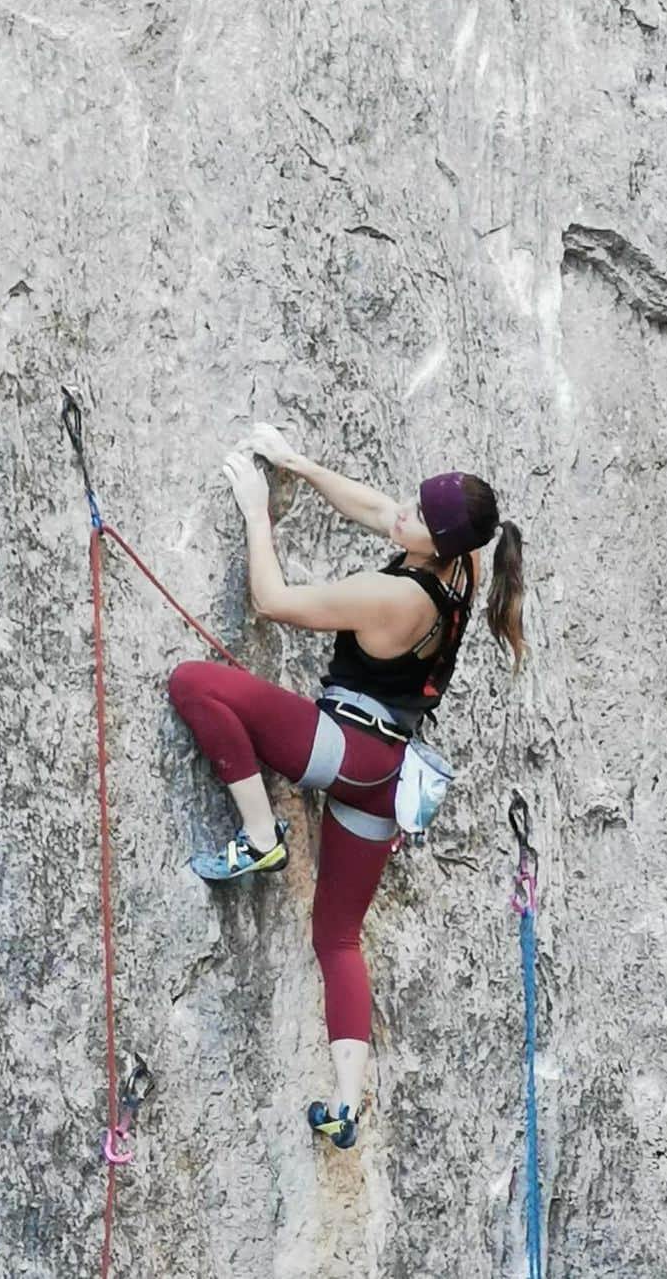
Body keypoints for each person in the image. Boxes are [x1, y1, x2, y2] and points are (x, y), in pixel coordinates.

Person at [168, 423, 525, 1148]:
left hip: (347, 750)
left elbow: (272, 600)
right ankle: (345, 1105)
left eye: (419, 516)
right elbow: (373, 508)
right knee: (337, 938)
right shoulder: (463, 571)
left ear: (440, 541)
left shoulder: (395, 598)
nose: (404, 515)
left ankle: (261, 836)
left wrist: (255, 509)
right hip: (388, 776)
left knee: (195, 684)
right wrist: (302, 462)